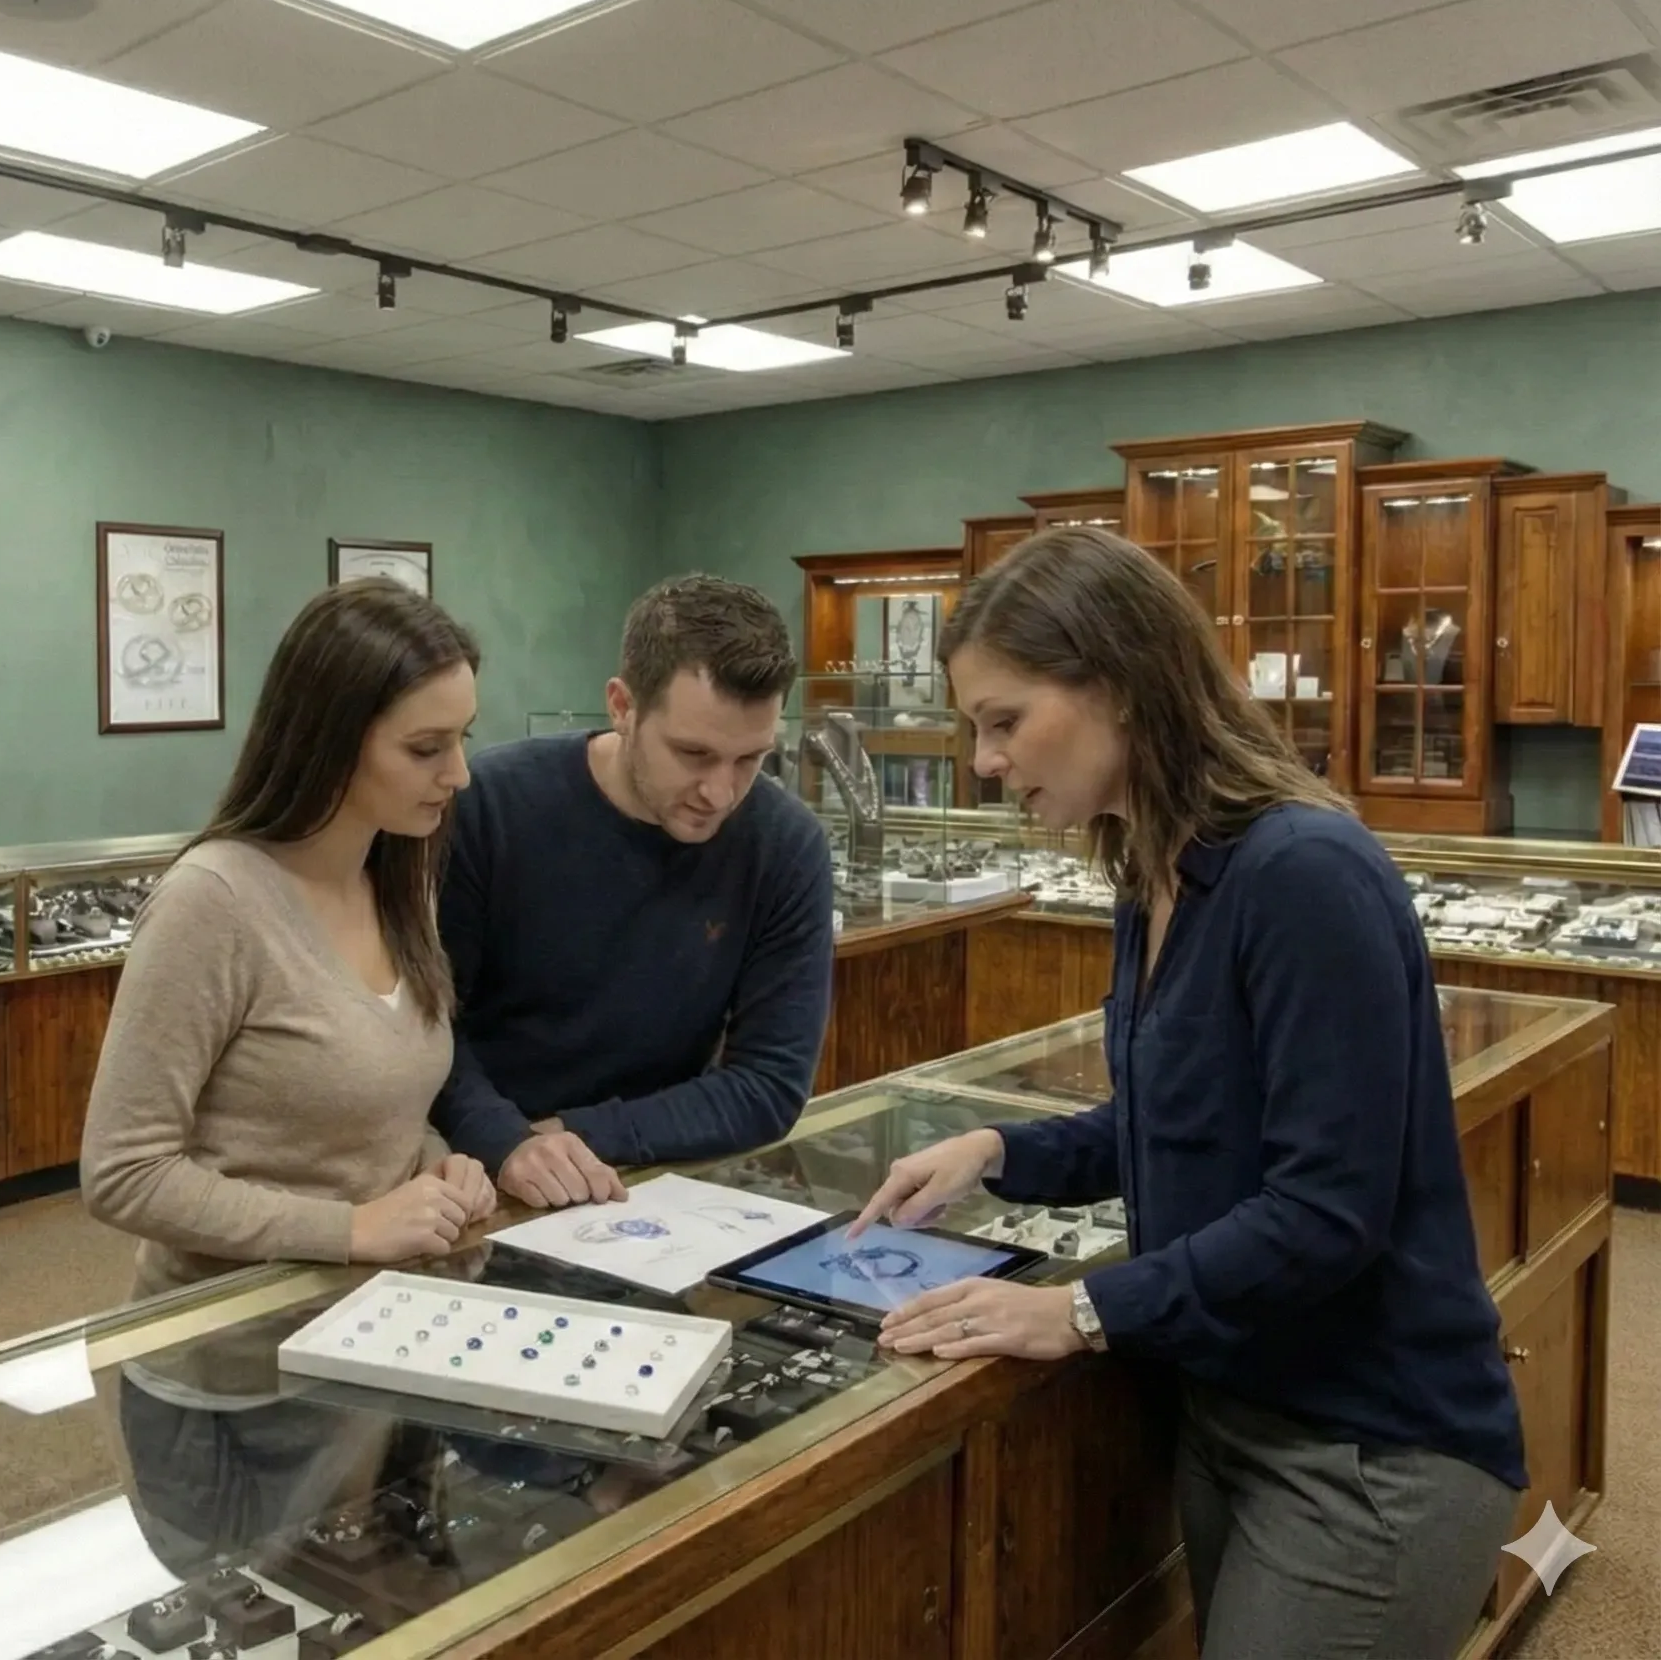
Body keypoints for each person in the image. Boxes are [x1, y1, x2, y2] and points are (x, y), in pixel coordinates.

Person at [849, 527, 1524, 1660]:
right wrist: (997, 1152)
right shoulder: (1151, 870)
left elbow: (1324, 1210)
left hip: (1367, 1449)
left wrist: (1077, 1308)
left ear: (1116, 681)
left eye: (1003, 720)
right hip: (1231, 1409)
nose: (982, 760)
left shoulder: (1300, 873)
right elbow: (1178, 1121)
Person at [80, 579, 498, 1302]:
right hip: (229, 1363)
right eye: (426, 748)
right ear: (330, 740)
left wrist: (435, 1166)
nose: (457, 774)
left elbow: (365, 1123)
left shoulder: (400, 881)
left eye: (463, 740)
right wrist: (349, 1230)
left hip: (372, 1326)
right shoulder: (213, 903)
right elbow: (124, 1173)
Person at [431, 575, 835, 1209]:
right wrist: (504, 1140)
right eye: (693, 753)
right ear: (622, 706)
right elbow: (420, 1030)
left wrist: (568, 1137)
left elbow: (769, 1086)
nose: (721, 792)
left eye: (751, 758)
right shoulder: (488, 807)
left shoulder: (786, 846)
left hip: (641, 1179)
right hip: (471, 1175)